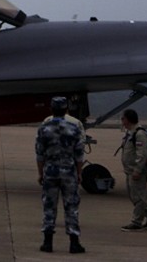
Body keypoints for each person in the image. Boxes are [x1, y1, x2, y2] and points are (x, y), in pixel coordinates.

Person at [35, 97, 85, 253]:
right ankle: (74, 243)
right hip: (69, 171)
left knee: (49, 206)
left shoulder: (44, 128)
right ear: (66, 109)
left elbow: (39, 154)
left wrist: (40, 173)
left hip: (50, 171)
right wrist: (78, 173)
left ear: (51, 109)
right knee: (71, 207)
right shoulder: (75, 127)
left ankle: (47, 242)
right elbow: (79, 155)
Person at [119, 109, 147, 232]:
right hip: (129, 170)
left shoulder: (139, 134)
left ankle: (136, 222)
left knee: (138, 197)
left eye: (123, 118)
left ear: (128, 119)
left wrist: (137, 170)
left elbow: (142, 154)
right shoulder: (131, 133)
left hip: (136, 171)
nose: (122, 121)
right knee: (134, 196)